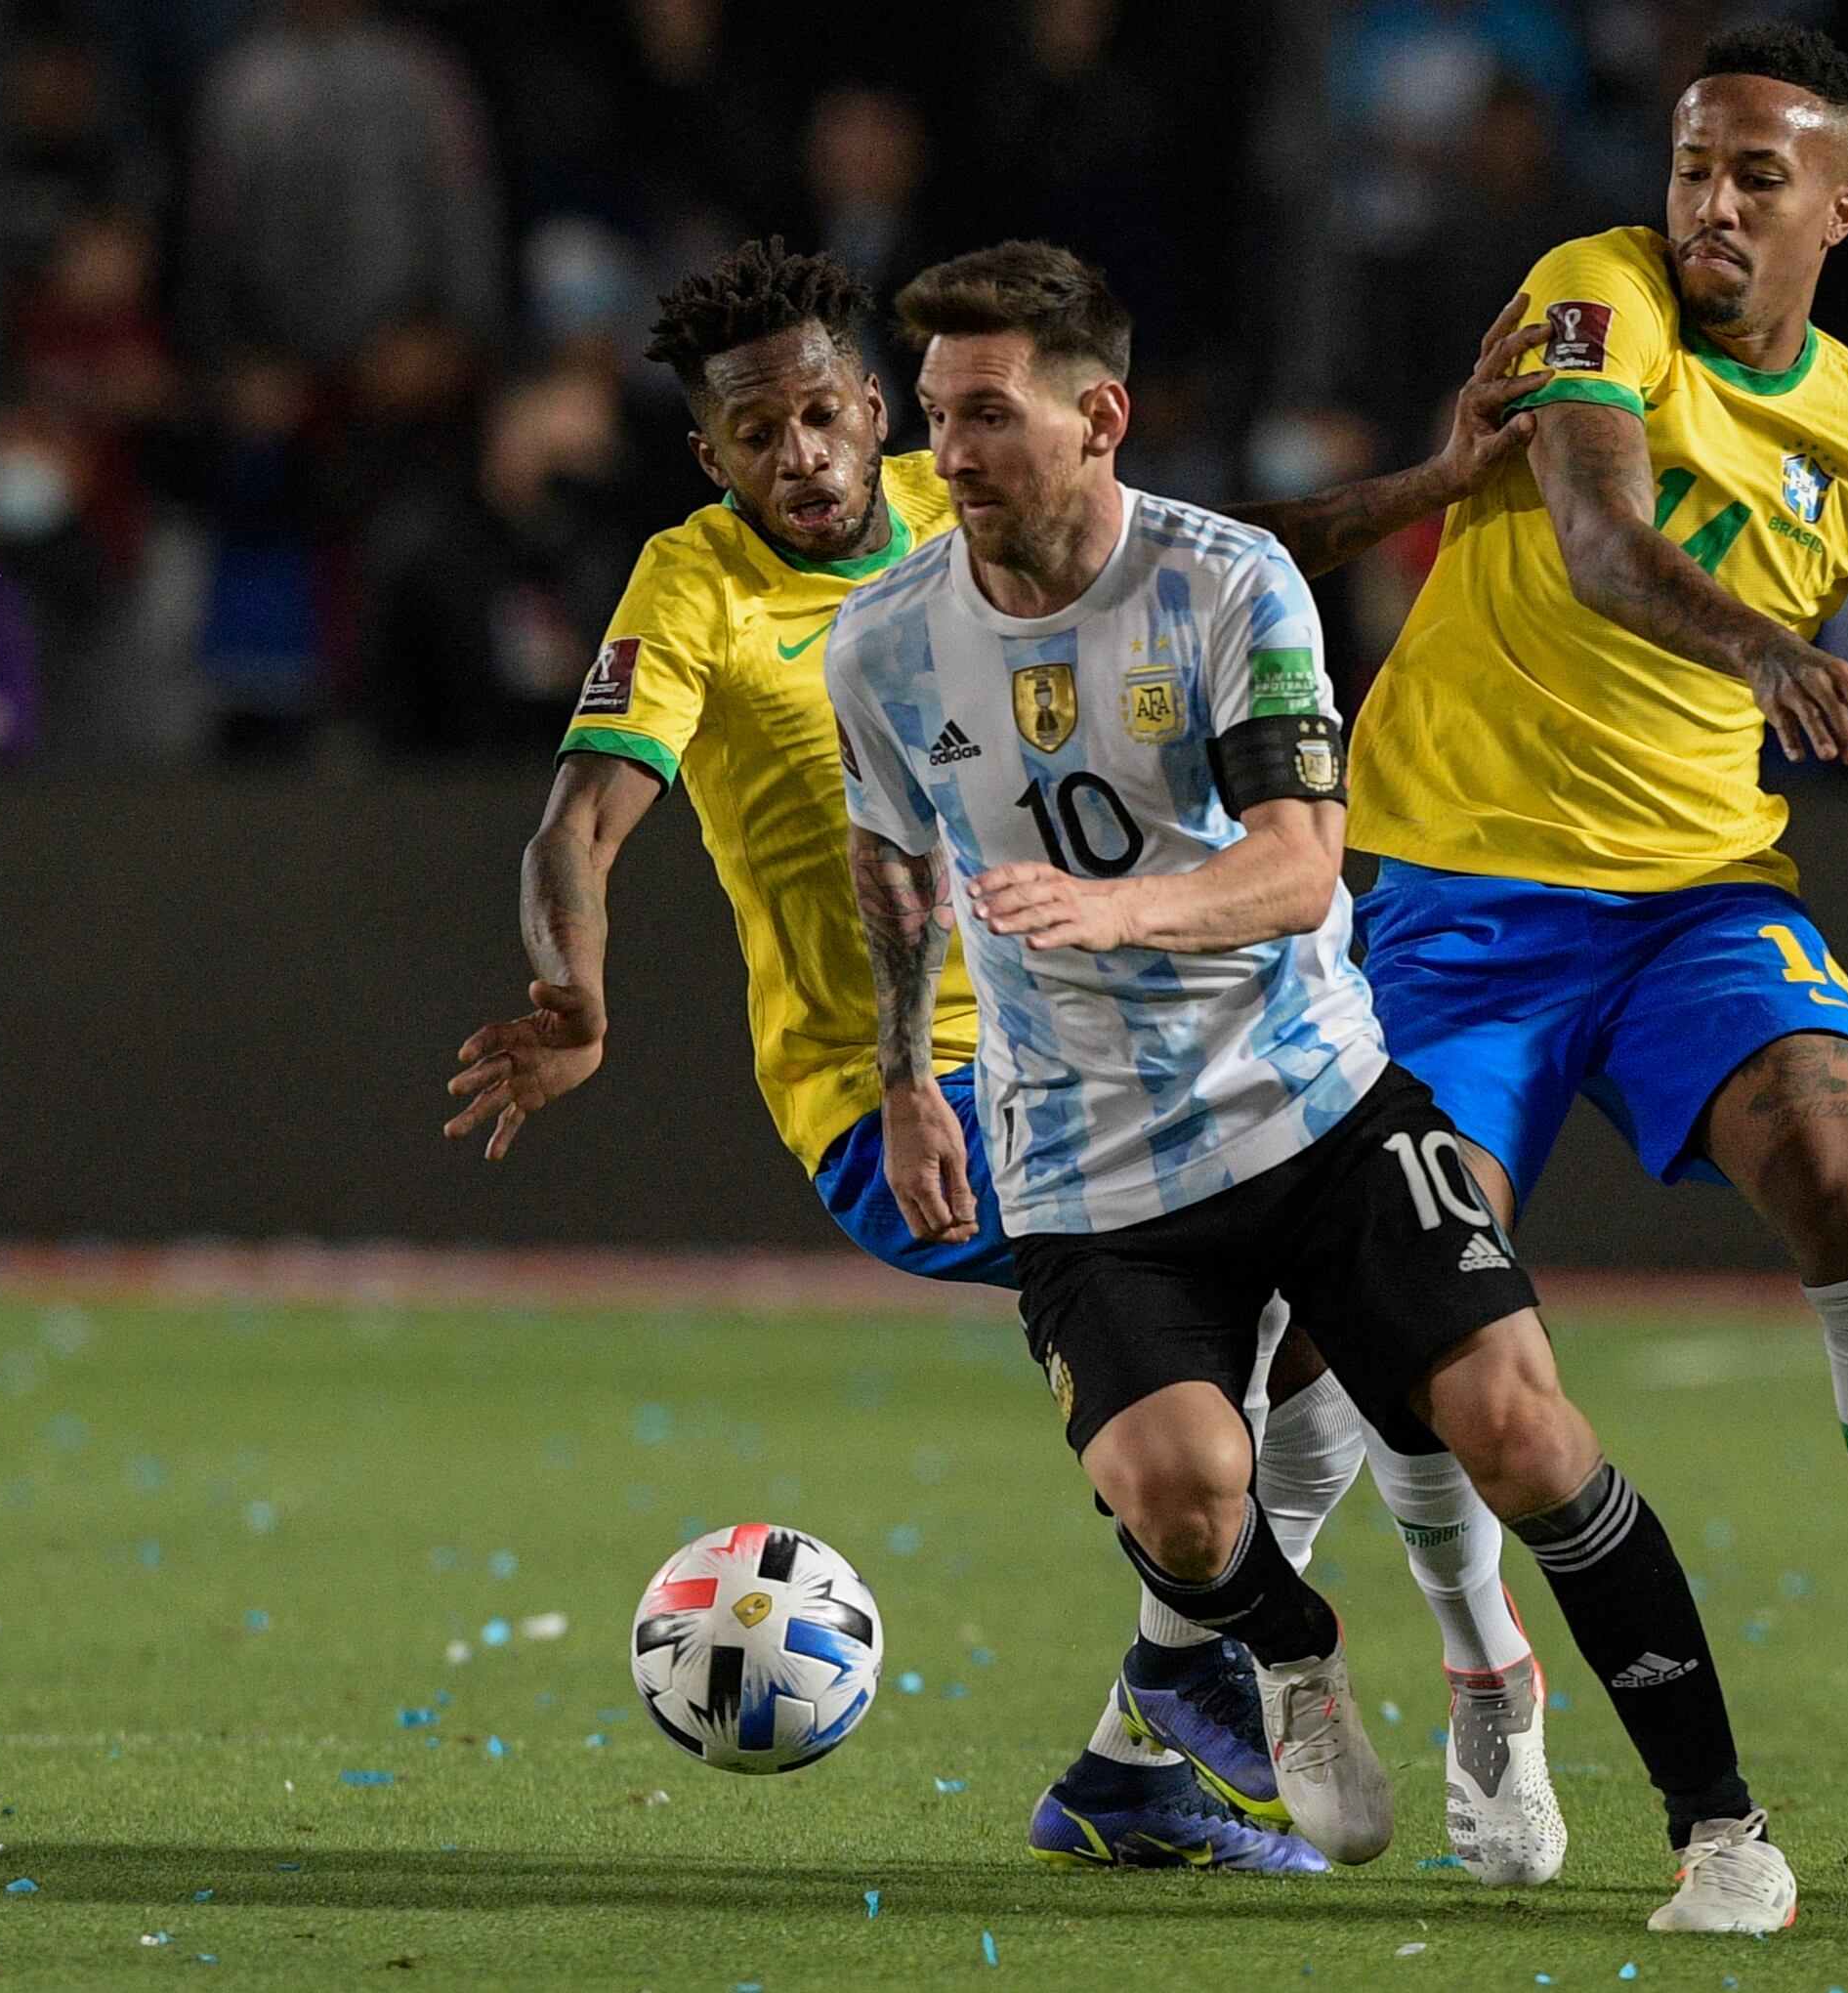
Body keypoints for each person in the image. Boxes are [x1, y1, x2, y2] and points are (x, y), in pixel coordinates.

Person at [443, 239, 1562, 1878]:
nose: (802, 457)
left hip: (1117, 1047)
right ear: (711, 456)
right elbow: (577, 823)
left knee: (1334, 1297)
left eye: (824, 415)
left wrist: (1440, 480)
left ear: (871, 402)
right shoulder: (694, 592)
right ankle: (1310, 1669)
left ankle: (1157, 1733)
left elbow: (1225, 557)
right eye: (757, 437)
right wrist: (577, 994)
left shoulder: (969, 494)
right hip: (899, 1103)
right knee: (1310, 1288)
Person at [827, 239, 1793, 1933]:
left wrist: (1114, 908)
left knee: (1518, 1428)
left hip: (1316, 1108)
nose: (948, 455)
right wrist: (910, 1075)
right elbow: (891, 861)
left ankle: (1720, 1830)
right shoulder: (886, 644)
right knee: (1183, 1500)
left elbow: (1297, 869)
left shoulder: (1227, 587)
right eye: (932, 418)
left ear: (1099, 416)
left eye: (986, 416)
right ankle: (1292, 1647)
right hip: (1082, 1165)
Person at [1346, 23, 1848, 1854]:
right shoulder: (1585, 292)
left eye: (1754, 177)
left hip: (1696, 899)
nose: (1706, 204)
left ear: (1836, 209)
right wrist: (1773, 649)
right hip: (1454, 891)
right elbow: (1602, 538)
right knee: (1417, 1322)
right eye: (1692, 166)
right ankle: (1485, 1682)